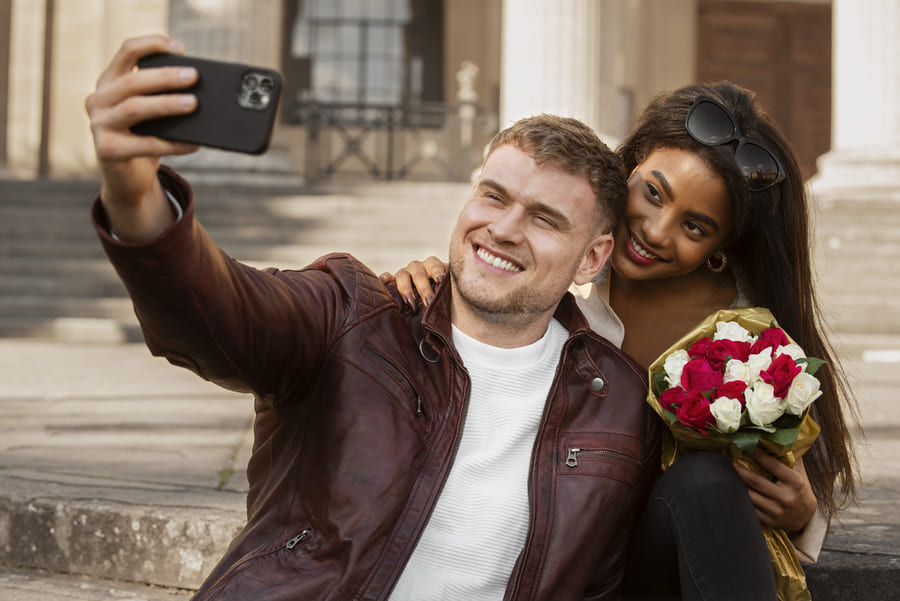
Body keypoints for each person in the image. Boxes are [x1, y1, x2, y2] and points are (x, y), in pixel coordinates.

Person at [85, 35, 661, 601]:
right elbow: (216, 312)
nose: (504, 229)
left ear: (592, 257)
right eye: (493, 196)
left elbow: (599, 584)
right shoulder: (353, 316)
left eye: (544, 219)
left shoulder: (620, 404)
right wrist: (135, 198)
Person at [387, 81, 859, 600]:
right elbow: (492, 263)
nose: (656, 230)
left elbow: (784, 477)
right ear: (627, 167)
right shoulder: (561, 270)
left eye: (695, 227)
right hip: (551, 547)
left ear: (721, 247)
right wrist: (428, 281)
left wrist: (804, 514)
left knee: (703, 480)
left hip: (657, 565)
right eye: (652, 193)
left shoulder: (749, 339)